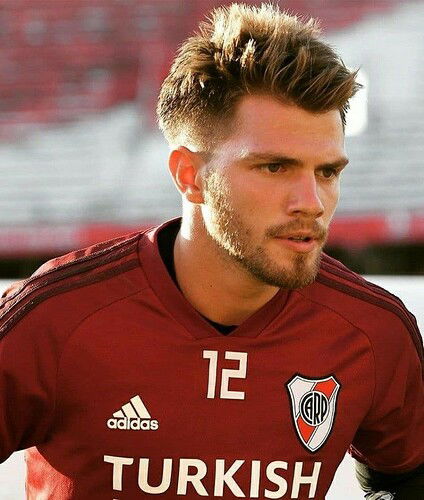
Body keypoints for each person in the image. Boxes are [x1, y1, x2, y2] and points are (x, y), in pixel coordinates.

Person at [0, 3, 423, 499]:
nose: (312, 203)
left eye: (327, 172)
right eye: (273, 167)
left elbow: (406, 479)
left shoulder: (374, 332)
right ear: (190, 175)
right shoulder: (54, 318)